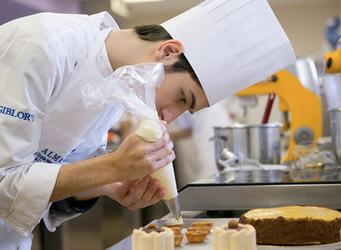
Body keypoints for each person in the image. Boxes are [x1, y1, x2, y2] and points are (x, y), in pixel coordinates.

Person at [0, 0, 295, 248]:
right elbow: (5, 182)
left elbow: (47, 185)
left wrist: (103, 183)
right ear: (167, 52)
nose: (168, 117)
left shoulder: (117, 92)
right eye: (182, 97)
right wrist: (109, 167)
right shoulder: (44, 45)